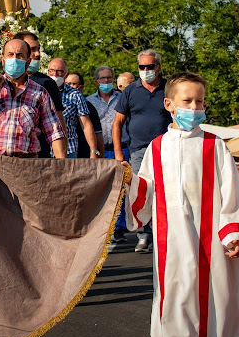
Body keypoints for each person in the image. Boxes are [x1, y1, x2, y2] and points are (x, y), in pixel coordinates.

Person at [126, 72, 239, 337]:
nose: (195, 107)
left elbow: (230, 190)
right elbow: (143, 195)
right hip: (171, 244)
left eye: (200, 101)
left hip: (212, 244)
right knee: (173, 304)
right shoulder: (157, 148)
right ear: (169, 105)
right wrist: (126, 181)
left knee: (216, 304)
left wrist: (234, 231)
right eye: (187, 101)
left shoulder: (214, 145)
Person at [0, 39, 66, 158]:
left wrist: (61, 168)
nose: (14, 59)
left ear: (28, 62)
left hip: (25, 165)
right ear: (3, 60)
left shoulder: (39, 93)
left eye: (20, 55)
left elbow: (55, 133)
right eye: (10, 55)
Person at [113, 50, 172, 251]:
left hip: (166, 148)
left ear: (159, 67)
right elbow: (117, 123)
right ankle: (143, 235)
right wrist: (119, 152)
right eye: (142, 67)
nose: (146, 70)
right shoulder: (130, 91)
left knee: (165, 191)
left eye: (150, 67)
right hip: (138, 150)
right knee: (141, 191)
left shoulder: (169, 88)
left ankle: (163, 233)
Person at [88, 66, 130, 244]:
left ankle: (119, 228)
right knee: (102, 189)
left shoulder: (123, 98)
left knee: (121, 188)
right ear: (96, 81)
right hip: (101, 149)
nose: (106, 82)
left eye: (109, 78)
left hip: (122, 147)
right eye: (102, 79)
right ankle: (104, 227)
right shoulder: (89, 101)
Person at [46, 58, 98, 158]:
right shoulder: (41, 90)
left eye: (59, 71)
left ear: (66, 74)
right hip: (45, 148)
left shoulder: (75, 95)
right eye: (51, 71)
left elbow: (86, 124)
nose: (55, 75)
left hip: (69, 148)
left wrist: (93, 150)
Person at [64, 73, 104, 159]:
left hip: (84, 152)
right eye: (67, 83)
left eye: (73, 84)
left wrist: (98, 153)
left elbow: (97, 132)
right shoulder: (60, 103)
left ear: (81, 87)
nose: (69, 86)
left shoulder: (88, 106)